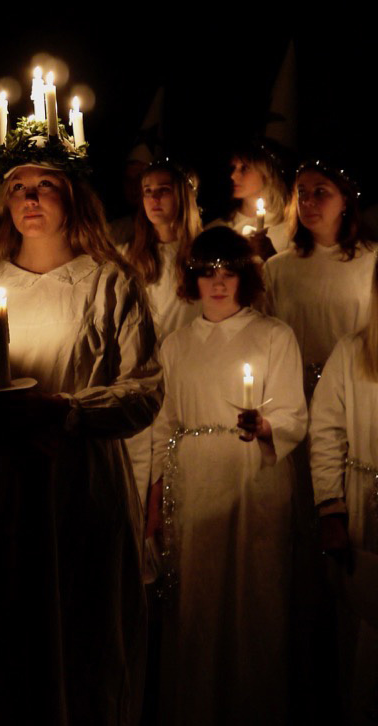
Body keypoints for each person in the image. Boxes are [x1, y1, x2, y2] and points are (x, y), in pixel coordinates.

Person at [0, 118, 161, 724]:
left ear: (72, 195)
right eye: (18, 188)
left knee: (80, 627)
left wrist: (66, 411)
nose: (29, 199)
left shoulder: (109, 283)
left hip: (81, 482)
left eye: (44, 186)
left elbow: (143, 390)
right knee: (3, 631)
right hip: (5, 484)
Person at [145, 227, 307, 724]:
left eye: (229, 273)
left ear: (245, 278)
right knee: (198, 600)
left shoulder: (274, 335)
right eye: (207, 273)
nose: (218, 284)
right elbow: (161, 425)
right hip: (192, 483)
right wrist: (152, 502)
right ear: (191, 281)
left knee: (256, 595)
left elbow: (293, 415)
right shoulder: (174, 345)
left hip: (254, 477)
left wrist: (263, 426)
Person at [309, 263, 378, 723]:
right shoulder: (353, 352)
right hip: (365, 507)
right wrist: (331, 510)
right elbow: (327, 432)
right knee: (363, 636)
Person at [119, 158, 203, 499]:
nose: (153, 200)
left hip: (192, 368)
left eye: (163, 191)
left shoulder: (202, 253)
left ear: (182, 196)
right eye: (147, 192)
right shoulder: (130, 256)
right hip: (148, 371)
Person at [265, 160, 376, 397]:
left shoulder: (372, 261)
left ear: (344, 200)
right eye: (302, 192)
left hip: (356, 386)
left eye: (320, 192)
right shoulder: (278, 269)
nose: (307, 202)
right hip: (295, 390)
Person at [207, 141, 293, 259]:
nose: (233, 176)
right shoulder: (217, 229)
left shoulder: (289, 229)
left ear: (267, 173)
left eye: (244, 168)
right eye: (233, 168)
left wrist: (268, 254)